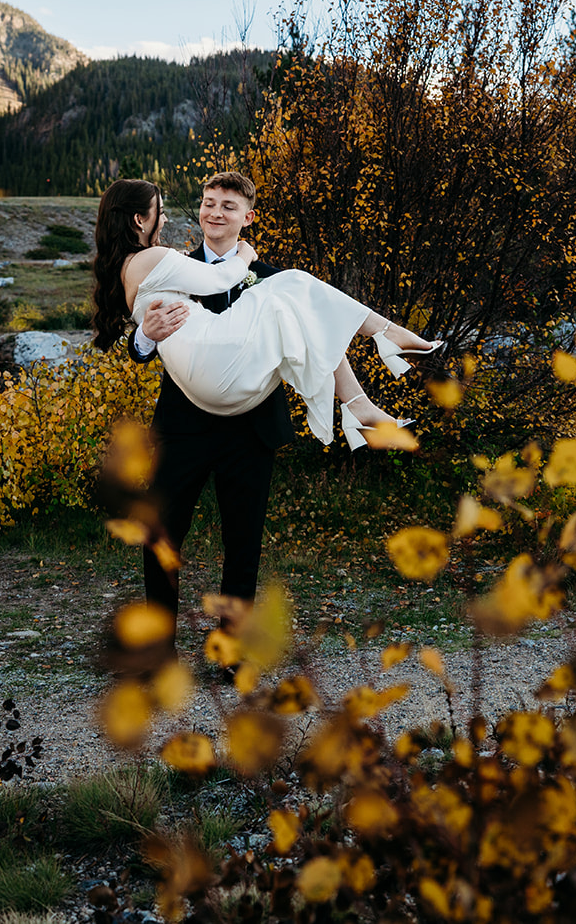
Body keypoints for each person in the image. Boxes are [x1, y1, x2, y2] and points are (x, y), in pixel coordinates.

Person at [89, 173, 440, 625]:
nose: (214, 212)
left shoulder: (265, 277)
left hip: (250, 425)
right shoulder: (172, 262)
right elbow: (140, 343)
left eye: (227, 206)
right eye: (208, 203)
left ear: (248, 217)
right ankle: (157, 646)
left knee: (243, 546)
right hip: (184, 426)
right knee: (161, 535)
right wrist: (143, 338)